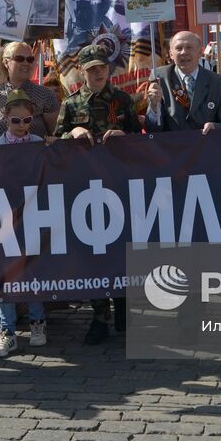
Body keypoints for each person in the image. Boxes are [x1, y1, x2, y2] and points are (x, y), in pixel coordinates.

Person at [56, 45, 142, 343]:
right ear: (81, 70)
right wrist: (72, 134)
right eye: (92, 68)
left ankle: (122, 303)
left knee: (121, 247)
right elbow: (55, 145)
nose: (98, 72)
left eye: (102, 67)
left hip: (118, 187)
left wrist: (125, 138)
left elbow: (140, 139)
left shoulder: (123, 100)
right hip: (86, 190)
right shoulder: (70, 104)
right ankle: (98, 315)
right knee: (93, 252)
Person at [0, 90, 49, 357]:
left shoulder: (38, 142)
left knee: (32, 270)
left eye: (27, 121)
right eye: (16, 121)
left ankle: (38, 323)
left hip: (32, 215)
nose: (22, 127)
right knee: (7, 274)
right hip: (5, 216)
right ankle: (7, 331)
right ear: (5, 119)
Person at [145, 32, 221, 132]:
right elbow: (152, 130)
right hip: (172, 146)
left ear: (200, 52)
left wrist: (215, 127)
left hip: (206, 144)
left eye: (189, 47)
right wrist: (154, 107)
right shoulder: (159, 78)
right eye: (179, 48)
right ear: (171, 54)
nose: (184, 52)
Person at [0, 41, 61, 142]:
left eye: (30, 59)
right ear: (6, 62)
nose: (26, 63)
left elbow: (57, 134)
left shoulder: (46, 95)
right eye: (19, 59)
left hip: (35, 156)